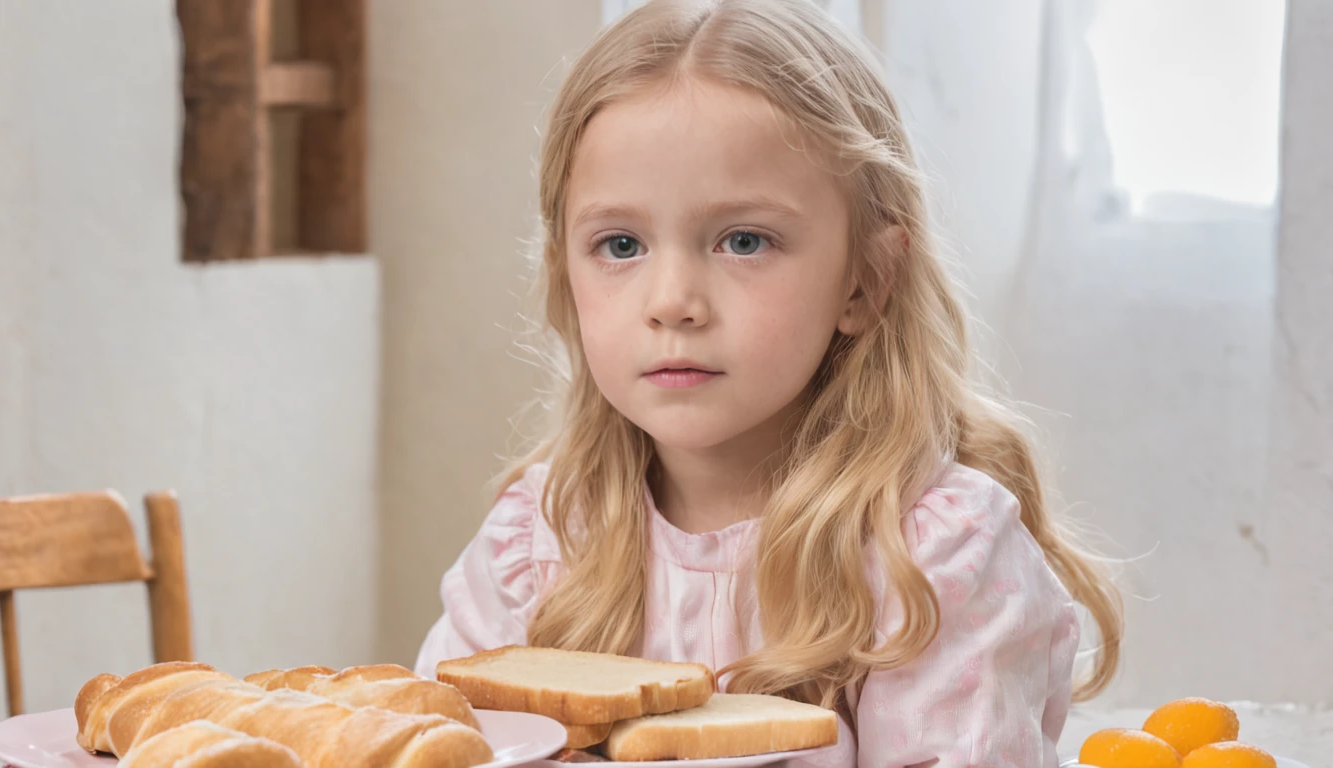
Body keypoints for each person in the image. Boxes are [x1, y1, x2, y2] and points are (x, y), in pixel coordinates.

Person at [417, 1, 1122, 765]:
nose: (671, 302)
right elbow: (434, 742)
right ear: (566, 275)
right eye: (620, 244)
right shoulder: (542, 540)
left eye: (743, 240)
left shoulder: (929, 559)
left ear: (866, 277)